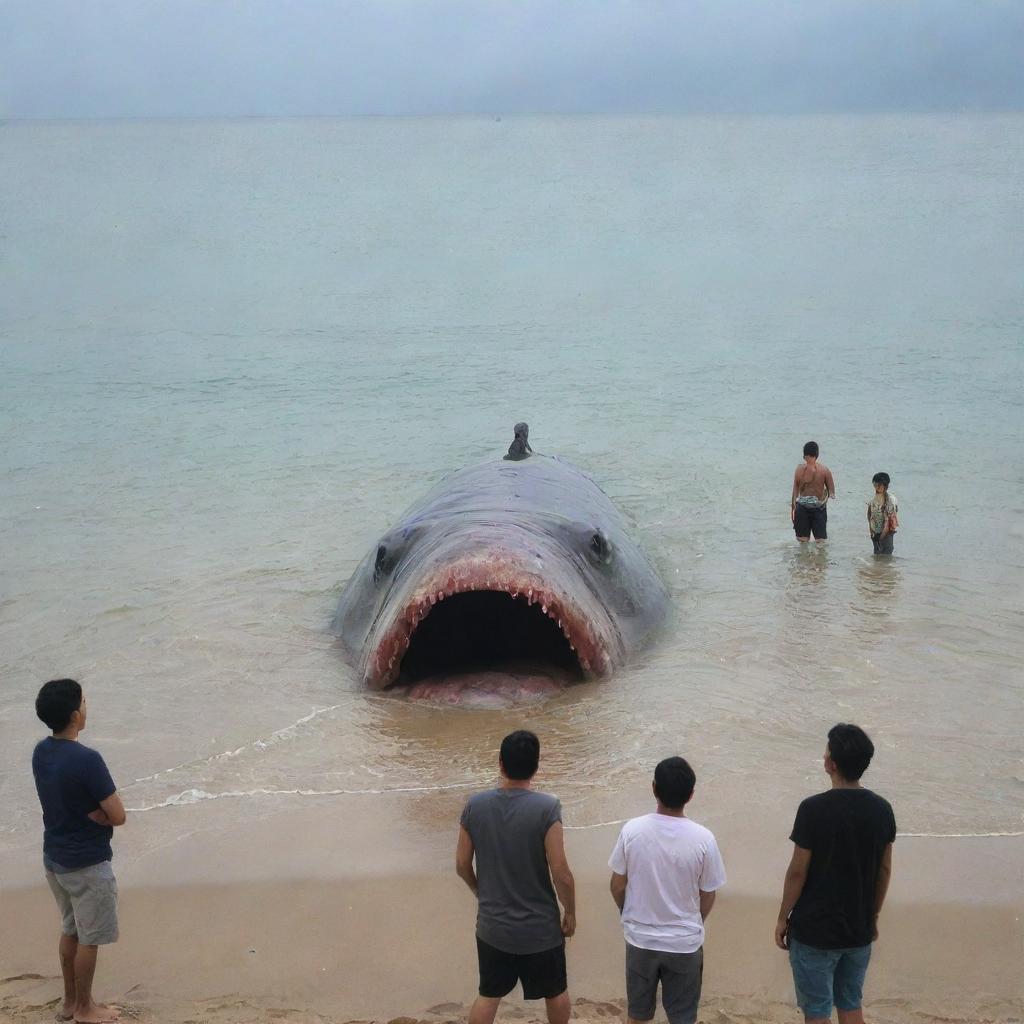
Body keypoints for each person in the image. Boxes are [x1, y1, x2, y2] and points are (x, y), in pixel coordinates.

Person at [775, 724, 896, 1024]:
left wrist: (782, 917)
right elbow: (884, 870)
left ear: (831, 763)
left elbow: (797, 871)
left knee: (817, 1011)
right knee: (851, 1005)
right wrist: (873, 917)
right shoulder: (882, 810)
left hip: (815, 930)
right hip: (858, 928)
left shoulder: (813, 809)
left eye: (827, 750)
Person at [456, 730, 575, 1024]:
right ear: (536, 766)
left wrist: (480, 892)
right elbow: (561, 872)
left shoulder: (475, 806)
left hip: (493, 927)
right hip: (540, 930)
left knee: (488, 995)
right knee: (556, 992)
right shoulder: (547, 808)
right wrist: (570, 911)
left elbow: (461, 864)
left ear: (500, 763)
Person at [33, 679, 126, 1024]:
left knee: (70, 928)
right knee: (89, 937)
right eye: (85, 701)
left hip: (54, 859)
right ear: (76, 715)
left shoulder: (41, 752)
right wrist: (102, 815)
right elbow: (119, 815)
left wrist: (97, 812)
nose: (87, 706)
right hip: (86, 863)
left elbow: (63, 795)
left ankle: (70, 1002)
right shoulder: (88, 760)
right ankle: (86, 1008)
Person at [608, 757, 726, 1024]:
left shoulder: (632, 830)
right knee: (683, 1018)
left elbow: (617, 884)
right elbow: (708, 893)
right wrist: (693, 920)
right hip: (684, 942)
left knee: (637, 1015)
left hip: (640, 939)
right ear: (691, 795)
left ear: (653, 788)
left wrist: (627, 911)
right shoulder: (704, 838)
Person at [791, 442, 836, 542]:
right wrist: (827, 496)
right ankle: (815, 557)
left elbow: (795, 490)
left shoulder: (800, 469)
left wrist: (793, 505)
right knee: (818, 542)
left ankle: (805, 557)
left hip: (807, 508)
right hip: (813, 508)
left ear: (804, 456)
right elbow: (832, 493)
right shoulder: (824, 470)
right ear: (817, 455)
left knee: (807, 541)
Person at [866, 473, 898, 555]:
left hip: (886, 534)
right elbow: (869, 515)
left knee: (886, 557)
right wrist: (872, 532)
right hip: (875, 533)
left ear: (886, 486)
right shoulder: (873, 499)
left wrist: (881, 537)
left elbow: (889, 521)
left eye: (879, 485)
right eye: (875, 484)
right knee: (877, 558)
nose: (876, 487)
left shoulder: (891, 500)